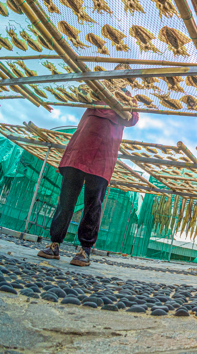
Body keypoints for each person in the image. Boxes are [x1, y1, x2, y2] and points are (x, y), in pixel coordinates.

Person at [38, 91, 139, 266]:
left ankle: (85, 249)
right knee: (66, 200)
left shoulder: (129, 99)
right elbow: (82, 95)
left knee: (93, 204)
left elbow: (132, 119)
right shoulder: (98, 88)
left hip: (103, 156)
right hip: (79, 150)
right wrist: (111, 105)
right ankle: (54, 244)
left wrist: (118, 106)